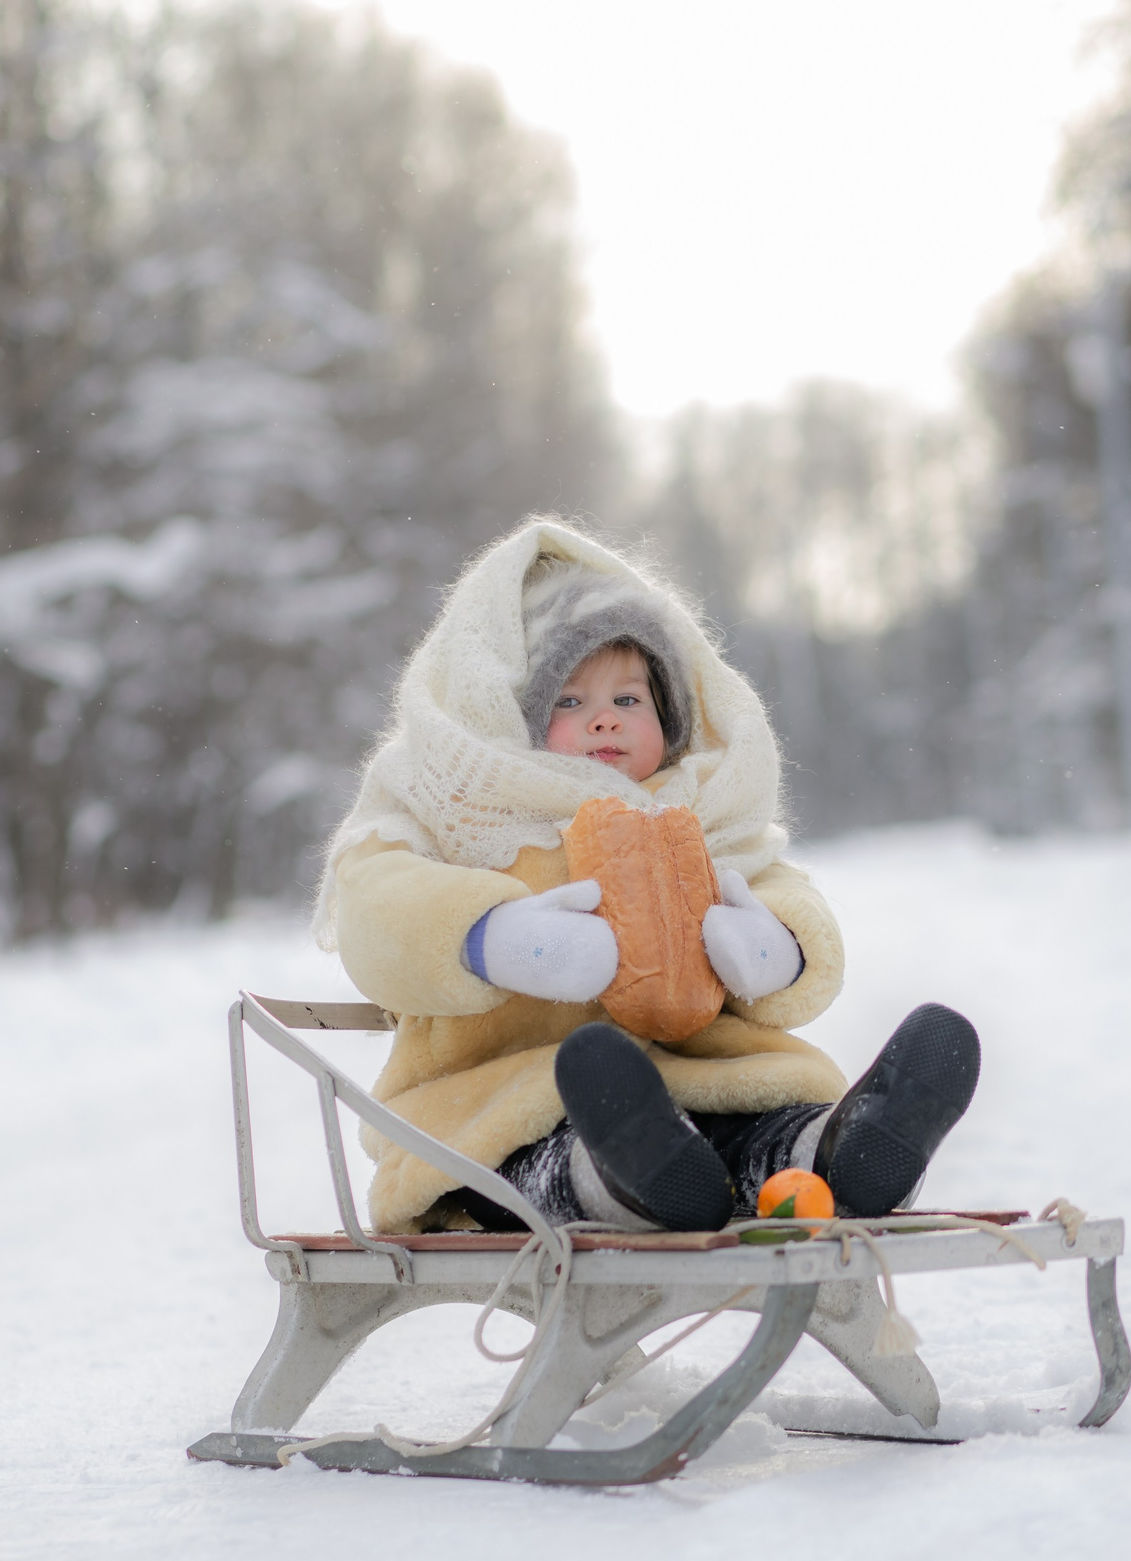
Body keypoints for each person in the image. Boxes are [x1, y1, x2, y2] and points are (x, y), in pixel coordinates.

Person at [315, 518, 980, 1233]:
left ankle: (832, 1153)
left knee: (759, 1127)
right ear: (511, 712)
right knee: (547, 1153)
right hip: (496, 1101)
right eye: (569, 701)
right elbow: (373, 904)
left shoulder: (697, 809)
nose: (603, 721)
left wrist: (774, 943)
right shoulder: (450, 800)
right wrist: (494, 936)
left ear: (668, 714)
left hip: (703, 1081)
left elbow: (782, 884)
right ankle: (619, 1182)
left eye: (628, 700)